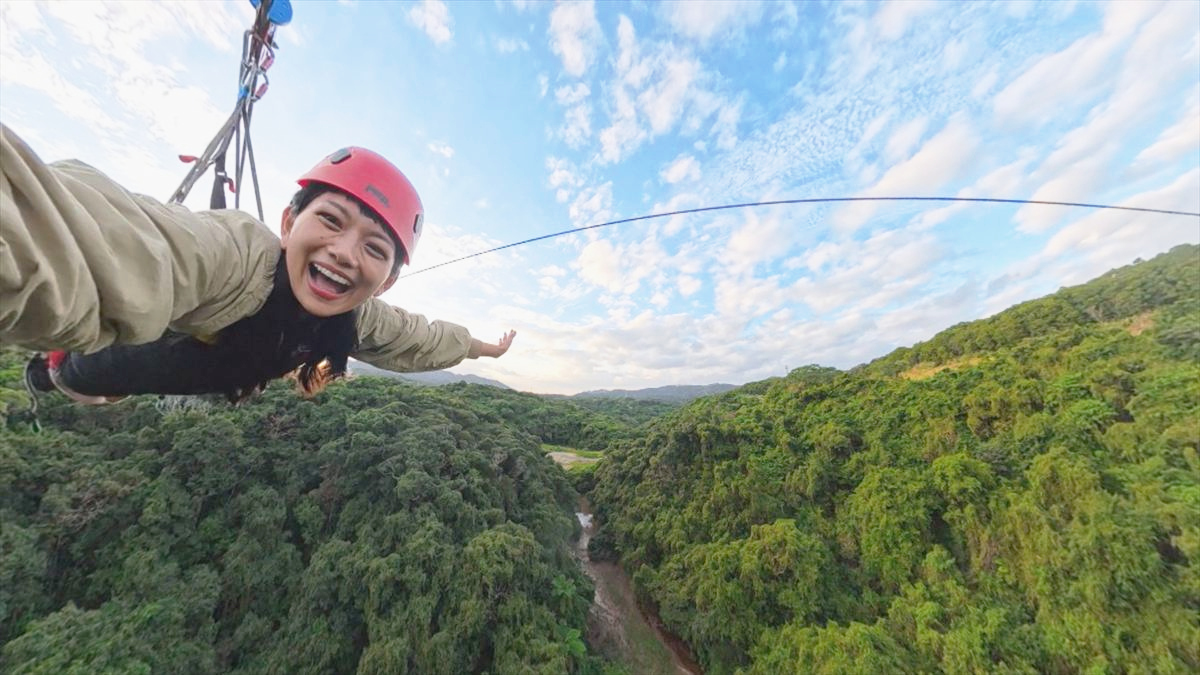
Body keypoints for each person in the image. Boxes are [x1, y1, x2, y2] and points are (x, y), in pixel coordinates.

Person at [1, 123, 515, 404]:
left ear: (387, 281)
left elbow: (421, 337)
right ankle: (45, 375)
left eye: (375, 249)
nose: (343, 252)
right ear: (289, 222)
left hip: (156, 374)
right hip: (92, 364)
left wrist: (485, 349)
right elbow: (112, 242)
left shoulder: (356, 318)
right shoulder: (236, 259)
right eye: (332, 220)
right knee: (71, 377)